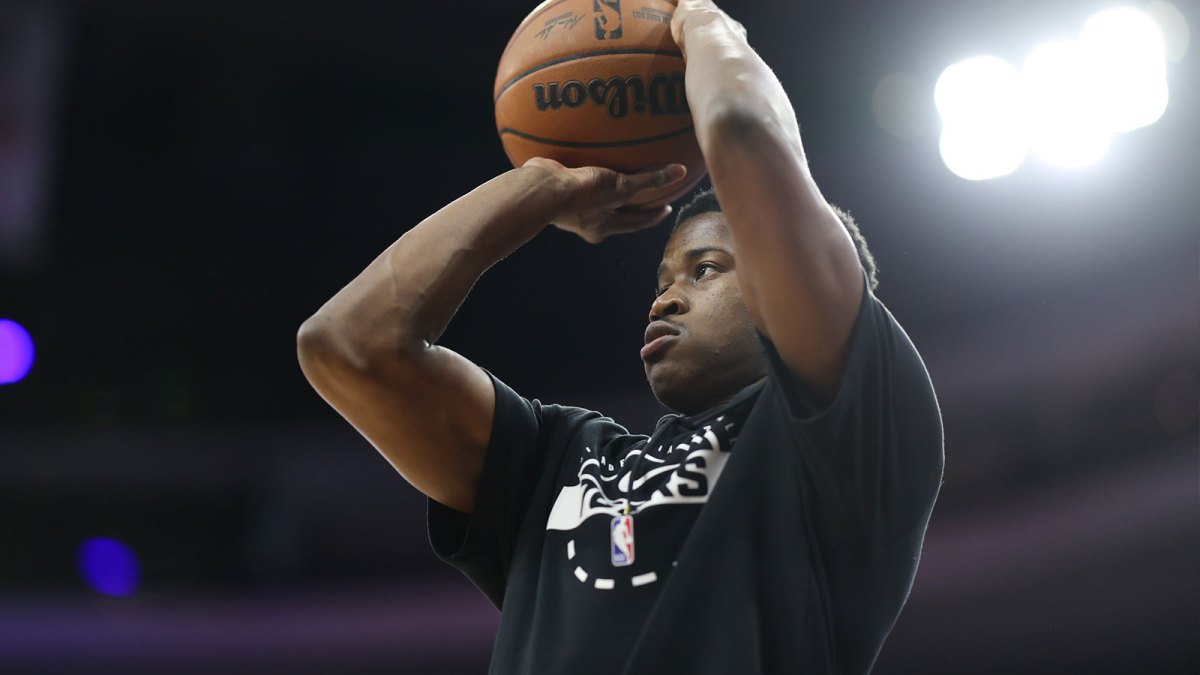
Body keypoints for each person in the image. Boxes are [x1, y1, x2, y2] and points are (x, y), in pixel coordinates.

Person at [296, 1, 943, 672]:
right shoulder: (562, 455)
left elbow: (743, 132)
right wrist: (536, 190)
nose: (666, 294)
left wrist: (704, 23)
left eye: (705, 269)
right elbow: (348, 346)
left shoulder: (849, 432)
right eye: (664, 276)